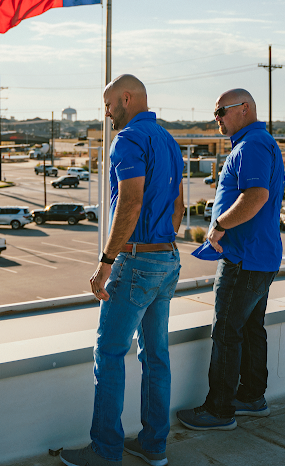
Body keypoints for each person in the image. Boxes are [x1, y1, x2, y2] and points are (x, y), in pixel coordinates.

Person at [61, 75, 184, 466]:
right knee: (156, 356)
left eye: (109, 104)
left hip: (135, 261)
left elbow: (129, 203)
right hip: (167, 258)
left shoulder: (127, 140)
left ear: (126, 98)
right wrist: (160, 243)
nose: (107, 112)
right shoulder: (168, 140)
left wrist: (106, 263)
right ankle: (154, 445)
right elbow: (180, 207)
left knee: (110, 353)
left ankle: (105, 450)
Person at [177, 88, 284, 431]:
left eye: (221, 111)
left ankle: (219, 410)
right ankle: (251, 396)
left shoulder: (252, 145)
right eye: (216, 112)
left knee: (226, 331)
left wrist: (219, 225)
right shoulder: (256, 142)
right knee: (251, 328)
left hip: (243, 257)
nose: (217, 118)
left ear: (245, 108)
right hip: (259, 256)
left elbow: (256, 196)